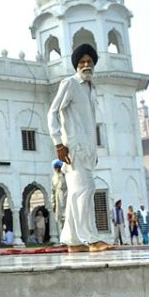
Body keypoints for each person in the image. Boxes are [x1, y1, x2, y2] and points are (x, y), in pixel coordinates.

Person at [47, 43, 112, 253]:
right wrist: (58, 143)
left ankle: (74, 241)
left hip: (86, 151)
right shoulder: (70, 84)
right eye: (82, 62)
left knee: (79, 192)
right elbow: (53, 112)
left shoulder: (91, 88)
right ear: (76, 65)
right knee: (84, 191)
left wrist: (93, 151)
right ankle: (91, 239)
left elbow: (89, 123)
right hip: (72, 149)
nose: (86, 65)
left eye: (90, 62)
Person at [51, 159, 67, 231]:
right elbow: (53, 191)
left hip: (67, 200)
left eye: (58, 167)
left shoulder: (66, 176)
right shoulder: (54, 178)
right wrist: (53, 203)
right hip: (59, 202)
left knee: (68, 218)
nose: (57, 169)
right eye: (56, 167)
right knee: (61, 220)